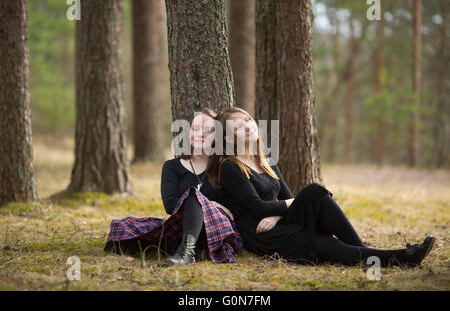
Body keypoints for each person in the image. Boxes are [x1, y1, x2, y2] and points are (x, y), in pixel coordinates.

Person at [207, 106, 435, 267]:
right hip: (263, 237)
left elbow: (289, 198)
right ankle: (403, 257)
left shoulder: (267, 162)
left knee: (315, 192)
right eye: (238, 127)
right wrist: (277, 210)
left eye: (247, 120)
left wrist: (276, 215)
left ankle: (367, 252)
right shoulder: (230, 167)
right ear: (227, 139)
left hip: (277, 223)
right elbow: (258, 208)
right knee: (324, 244)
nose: (247, 127)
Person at [104, 108, 241, 265]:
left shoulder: (224, 167)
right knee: (125, 226)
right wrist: (208, 202)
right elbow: (170, 206)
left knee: (192, 194)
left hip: (217, 226)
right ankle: (193, 248)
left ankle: (187, 253)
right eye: (196, 129)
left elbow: (235, 205)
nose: (201, 134)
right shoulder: (172, 166)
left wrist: (204, 203)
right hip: (183, 227)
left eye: (209, 130)